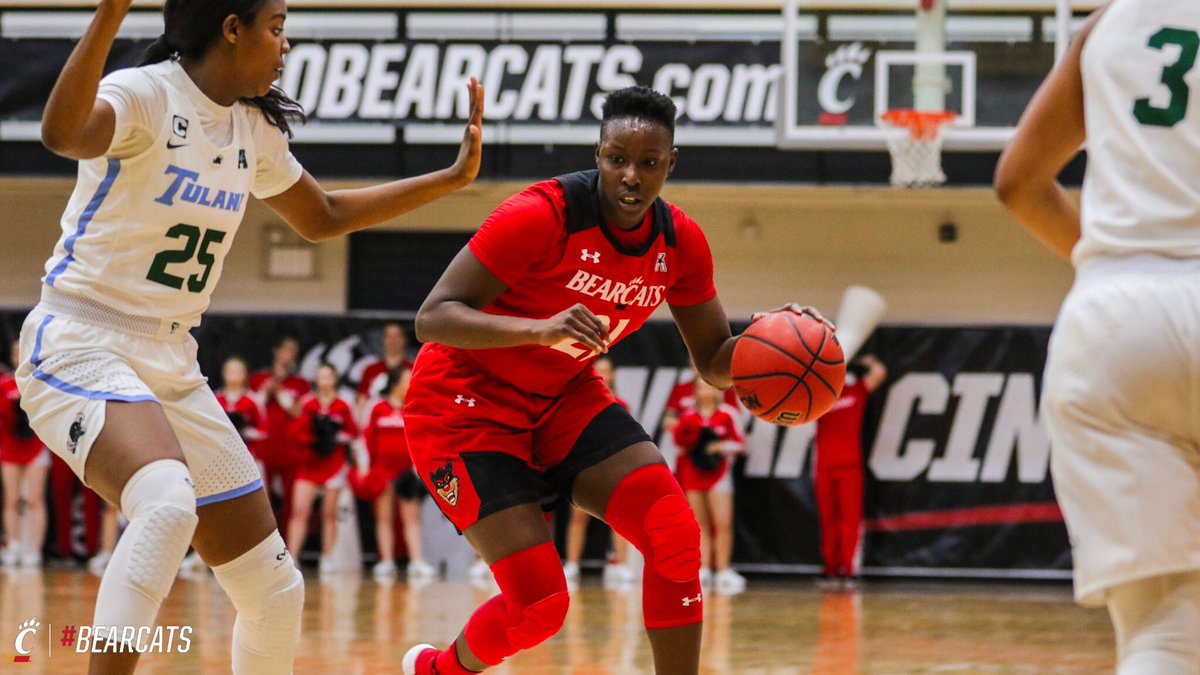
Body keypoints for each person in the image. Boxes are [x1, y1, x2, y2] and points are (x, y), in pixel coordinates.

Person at [18, 0, 482, 671]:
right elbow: (63, 133)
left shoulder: (251, 129)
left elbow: (321, 215)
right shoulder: (146, 94)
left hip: (171, 357)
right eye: (277, 27)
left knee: (274, 587)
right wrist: (111, 13)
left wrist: (451, 180)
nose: (286, 45)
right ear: (232, 28)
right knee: (167, 504)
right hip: (82, 340)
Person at [400, 85, 829, 675]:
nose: (630, 175)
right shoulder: (540, 215)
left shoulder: (679, 242)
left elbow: (712, 359)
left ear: (669, 164)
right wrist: (539, 331)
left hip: (560, 396)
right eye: (616, 159)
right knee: (540, 608)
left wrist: (777, 341)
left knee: (674, 534)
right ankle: (438, 670)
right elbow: (432, 318)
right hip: (462, 405)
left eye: (648, 163)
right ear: (598, 153)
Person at [995, 2, 1200, 671]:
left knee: (1163, 634)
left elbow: (1019, 183)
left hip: (1112, 319)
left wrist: (1121, 265)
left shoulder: (1111, 21)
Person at [812, 354, 887, 588]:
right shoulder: (817, 397)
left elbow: (879, 372)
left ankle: (849, 569)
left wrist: (866, 360)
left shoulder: (856, 391)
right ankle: (830, 569)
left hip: (850, 466)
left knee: (850, 519)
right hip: (823, 466)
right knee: (827, 520)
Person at [563, 356, 634, 587]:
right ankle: (572, 565)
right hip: (584, 467)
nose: (603, 375)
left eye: (607, 371)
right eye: (598, 370)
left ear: (613, 375)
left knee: (619, 519)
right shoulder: (581, 400)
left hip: (613, 469)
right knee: (578, 518)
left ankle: (621, 565)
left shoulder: (621, 405)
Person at [671, 376, 745, 595]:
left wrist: (719, 447)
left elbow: (740, 444)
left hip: (719, 474)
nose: (705, 391)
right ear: (694, 391)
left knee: (722, 523)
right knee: (698, 524)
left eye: (708, 386)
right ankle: (702, 569)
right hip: (694, 473)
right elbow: (679, 443)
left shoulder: (727, 414)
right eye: (701, 387)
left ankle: (722, 570)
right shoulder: (688, 417)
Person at [361, 366, 434, 581]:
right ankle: (386, 561)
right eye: (406, 379)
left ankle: (417, 562)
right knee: (384, 518)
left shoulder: (414, 408)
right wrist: (366, 466)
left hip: (407, 472)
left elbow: (422, 438)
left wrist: (419, 467)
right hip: (382, 471)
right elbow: (366, 437)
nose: (411, 382)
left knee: (412, 518)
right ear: (395, 383)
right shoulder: (378, 408)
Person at [286, 363, 358, 570]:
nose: (324, 381)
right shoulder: (308, 403)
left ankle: (327, 559)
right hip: (310, 464)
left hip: (333, 464)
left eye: (328, 376)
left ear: (334, 379)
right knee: (300, 511)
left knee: (329, 514)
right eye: (321, 377)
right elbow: (295, 433)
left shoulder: (342, 405)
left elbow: (353, 432)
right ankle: (292, 557)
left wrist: (334, 435)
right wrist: (312, 438)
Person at [250, 335, 310, 527]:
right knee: (261, 499)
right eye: (287, 349)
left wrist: (280, 394)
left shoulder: (300, 383)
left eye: (294, 351)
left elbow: (299, 413)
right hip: (264, 447)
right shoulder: (259, 379)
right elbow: (250, 410)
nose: (290, 355)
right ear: (276, 352)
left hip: (290, 449)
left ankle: (288, 549)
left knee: (291, 502)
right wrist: (266, 393)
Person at [1, 339, 50, 568]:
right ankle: (13, 545)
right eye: (16, 353)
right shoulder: (5, 384)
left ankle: (34, 550)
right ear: (12, 356)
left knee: (34, 499)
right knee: (11, 499)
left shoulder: (41, 384)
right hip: (10, 448)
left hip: (36, 447)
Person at [356, 322, 414, 410]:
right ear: (383, 340)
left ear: (404, 339)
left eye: (397, 336)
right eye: (389, 336)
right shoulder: (370, 369)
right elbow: (362, 399)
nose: (393, 340)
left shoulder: (413, 369)